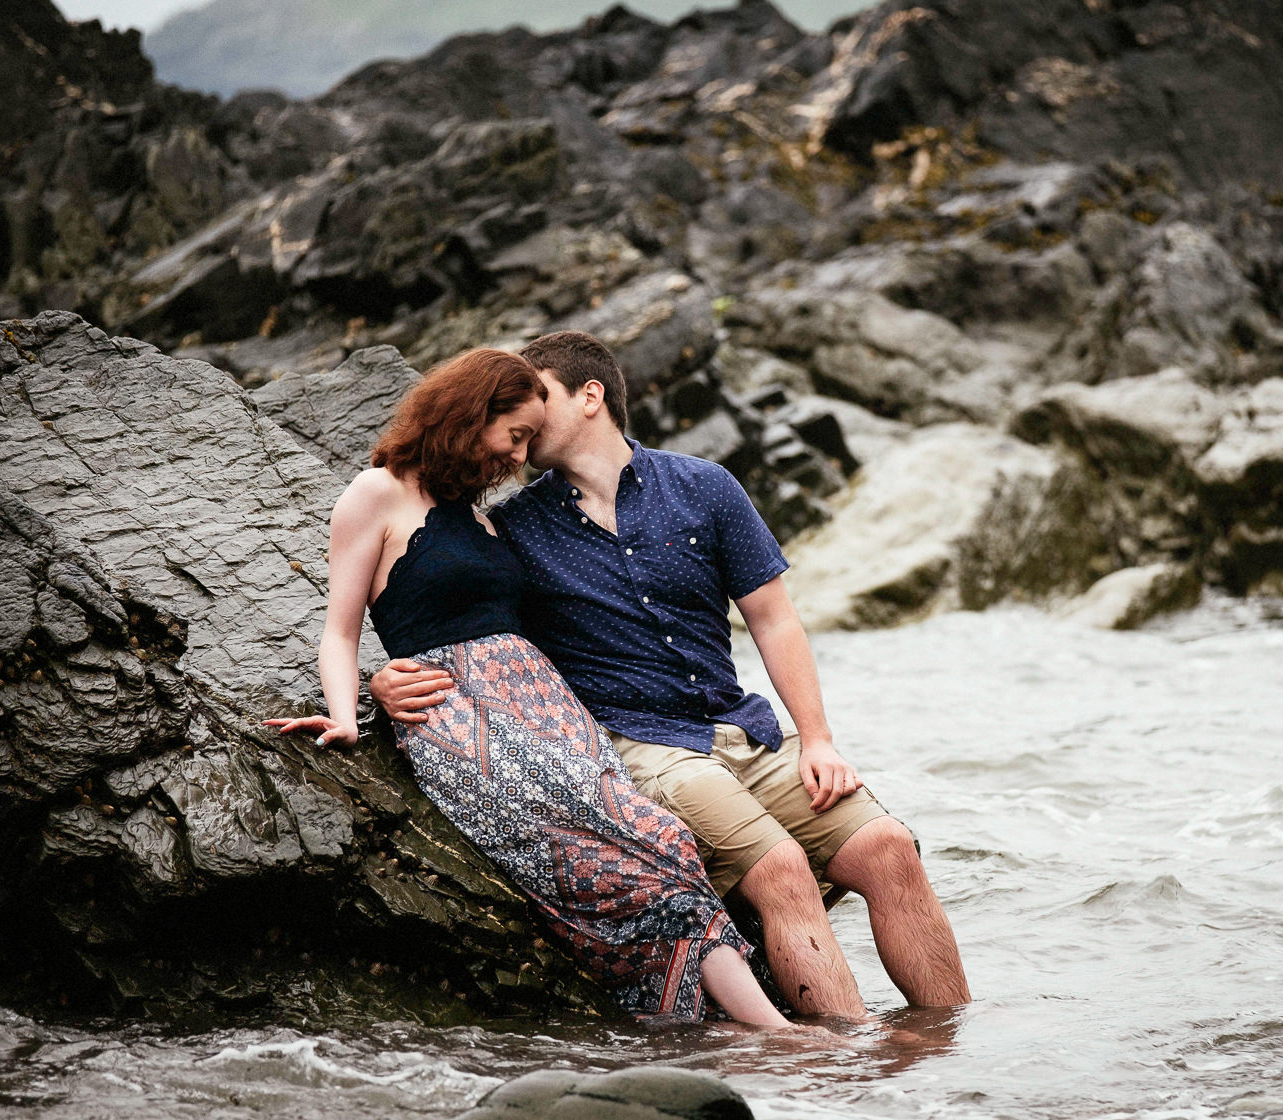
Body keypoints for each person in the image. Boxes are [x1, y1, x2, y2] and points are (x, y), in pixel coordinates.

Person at [370, 331, 971, 1020]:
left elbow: (775, 620)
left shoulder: (705, 488)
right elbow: (450, 615)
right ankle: (842, 1068)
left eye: (541, 396)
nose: (527, 420)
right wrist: (389, 677)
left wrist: (819, 738)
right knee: (780, 870)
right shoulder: (513, 529)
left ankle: (948, 1051)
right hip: (640, 747)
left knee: (890, 848)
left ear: (590, 395)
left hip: (741, 729)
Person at [265, 347, 788, 1027]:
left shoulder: (482, 513)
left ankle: (739, 1028)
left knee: (660, 836)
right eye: (514, 435)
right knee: (605, 856)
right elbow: (339, 628)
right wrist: (352, 710)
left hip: (547, 706)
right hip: (457, 712)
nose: (518, 456)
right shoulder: (376, 494)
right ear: (471, 413)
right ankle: (771, 1032)